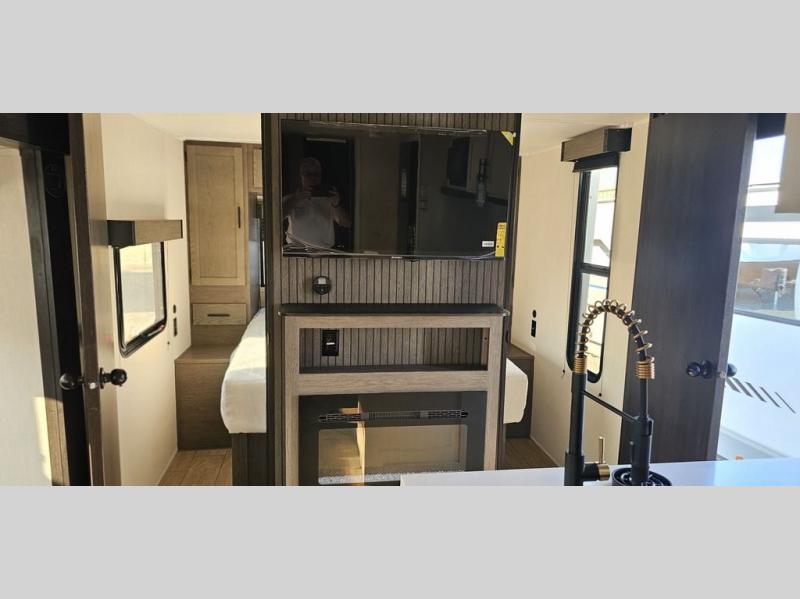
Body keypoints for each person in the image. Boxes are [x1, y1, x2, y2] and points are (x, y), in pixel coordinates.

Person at [282, 157, 351, 249]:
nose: (313, 178)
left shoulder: (329, 199)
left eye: (317, 174)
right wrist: (295, 200)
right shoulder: (291, 199)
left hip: (324, 251)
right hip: (297, 251)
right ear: (300, 176)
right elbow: (275, 219)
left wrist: (336, 204)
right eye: (308, 174)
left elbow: (346, 223)